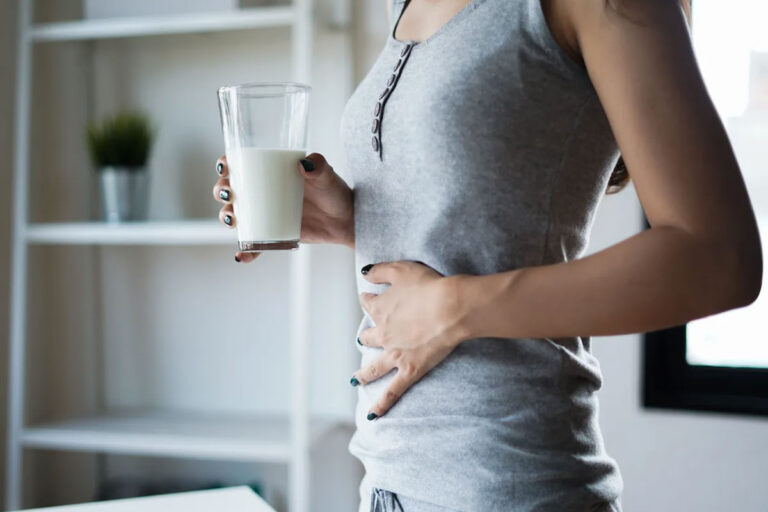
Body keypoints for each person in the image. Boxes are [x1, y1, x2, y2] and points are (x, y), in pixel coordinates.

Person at [213, 0, 763, 510]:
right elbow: (478, 232)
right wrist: (352, 222)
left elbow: (720, 258)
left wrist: (456, 306)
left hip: (512, 486)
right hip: (385, 484)